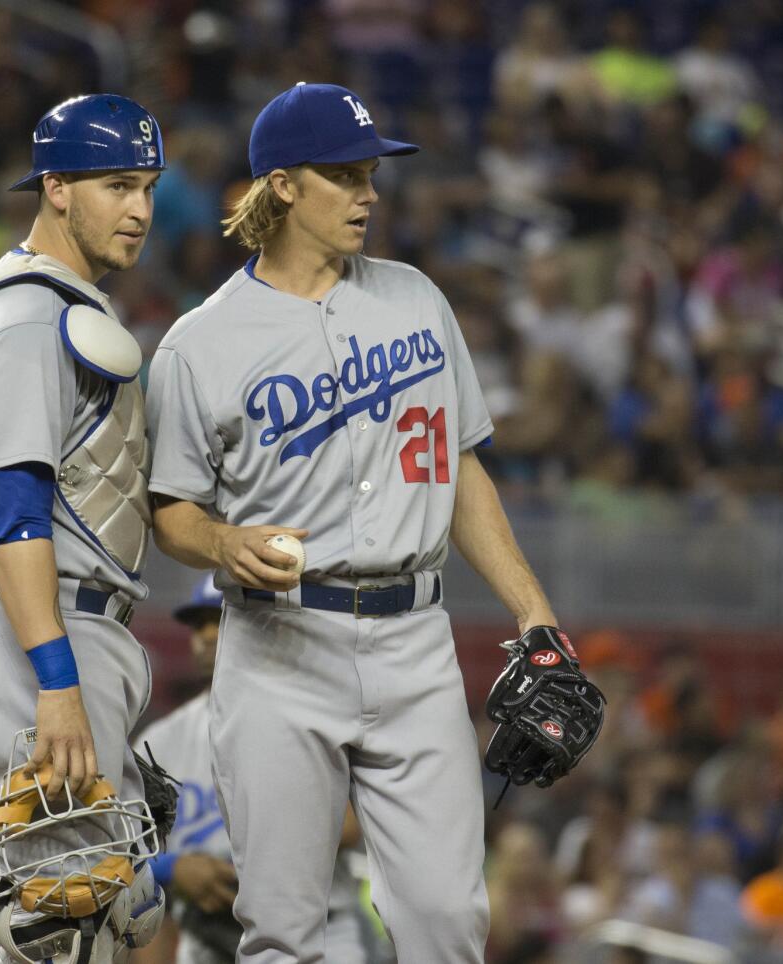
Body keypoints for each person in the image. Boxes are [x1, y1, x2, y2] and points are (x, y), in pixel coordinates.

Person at [146, 82, 572, 962]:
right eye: (344, 174)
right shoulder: (200, 342)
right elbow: (171, 511)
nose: (368, 194)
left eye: (370, 173)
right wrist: (224, 543)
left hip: (415, 636)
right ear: (283, 186)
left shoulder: (416, 298)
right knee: (281, 931)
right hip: (277, 647)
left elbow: (458, 469)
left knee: (450, 918)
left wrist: (534, 610)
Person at [0, 93, 167, 963]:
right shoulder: (32, 316)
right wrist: (58, 682)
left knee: (111, 909)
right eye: (115, 185)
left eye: (146, 186)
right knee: (66, 928)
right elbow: (12, 511)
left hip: (28, 632)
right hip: (29, 634)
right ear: (56, 188)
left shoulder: (40, 299)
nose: (139, 208)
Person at [132, 576, 373, 964]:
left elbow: (346, 827)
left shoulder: (308, 714)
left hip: (318, 930)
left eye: (219, 618)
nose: (208, 635)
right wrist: (172, 867)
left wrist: (241, 863)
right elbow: (122, 854)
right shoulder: (158, 742)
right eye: (198, 624)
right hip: (205, 934)